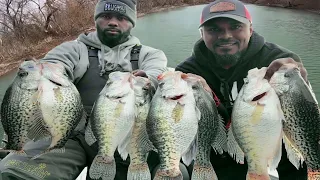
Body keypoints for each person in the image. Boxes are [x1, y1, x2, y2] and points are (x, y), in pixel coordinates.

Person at [0, 0, 190, 179]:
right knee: (14, 170)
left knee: (175, 171)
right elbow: (56, 62)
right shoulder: (73, 49)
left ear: (132, 22)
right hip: (74, 135)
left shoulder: (150, 54)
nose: (113, 22)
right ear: (96, 19)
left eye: (122, 18)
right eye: (106, 16)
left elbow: (157, 73)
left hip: (131, 135)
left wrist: (145, 80)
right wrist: (50, 72)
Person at [176, 0, 309, 179]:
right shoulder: (187, 73)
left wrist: (299, 86)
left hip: (279, 159)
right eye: (214, 30)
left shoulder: (278, 62)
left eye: (235, 26)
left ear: (250, 29)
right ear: (202, 34)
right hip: (220, 161)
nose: (226, 35)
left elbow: (302, 121)